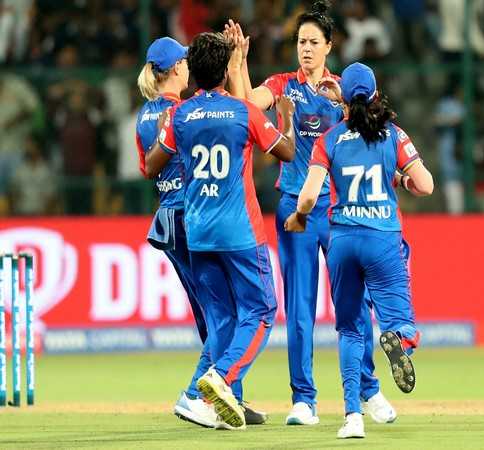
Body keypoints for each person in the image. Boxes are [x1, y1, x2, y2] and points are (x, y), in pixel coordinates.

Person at [227, 0, 394, 426]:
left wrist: (343, 107)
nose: (305, 48)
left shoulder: (343, 89)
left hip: (340, 210)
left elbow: (375, 131)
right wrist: (239, 63)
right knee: (299, 308)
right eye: (301, 41)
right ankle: (305, 400)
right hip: (294, 209)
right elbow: (247, 103)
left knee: (352, 305)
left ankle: (369, 391)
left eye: (313, 42)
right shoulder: (283, 84)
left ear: (329, 47)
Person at [285, 63, 434, 438]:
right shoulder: (392, 135)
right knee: (401, 322)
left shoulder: (330, 139)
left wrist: (299, 218)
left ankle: (352, 417)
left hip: (343, 241)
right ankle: (398, 340)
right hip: (383, 238)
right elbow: (426, 185)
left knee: (350, 329)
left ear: (343, 100)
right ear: (376, 95)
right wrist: (399, 179)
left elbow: (307, 196)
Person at [157, 31, 296, 430]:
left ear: (193, 73)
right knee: (263, 309)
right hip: (239, 231)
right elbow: (285, 150)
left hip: (197, 230)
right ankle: (219, 380)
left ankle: (205, 400)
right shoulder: (242, 112)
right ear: (223, 71)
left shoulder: (180, 114)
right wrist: (283, 116)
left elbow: (155, 161)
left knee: (221, 319)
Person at [136, 36, 265, 429]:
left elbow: (147, 168)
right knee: (227, 314)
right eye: (185, 62)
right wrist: (236, 68)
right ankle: (198, 394)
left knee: (213, 314)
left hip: (167, 219)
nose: (189, 68)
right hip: (194, 217)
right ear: (176, 69)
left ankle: (231, 399)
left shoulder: (144, 115)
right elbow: (241, 118)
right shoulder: (184, 112)